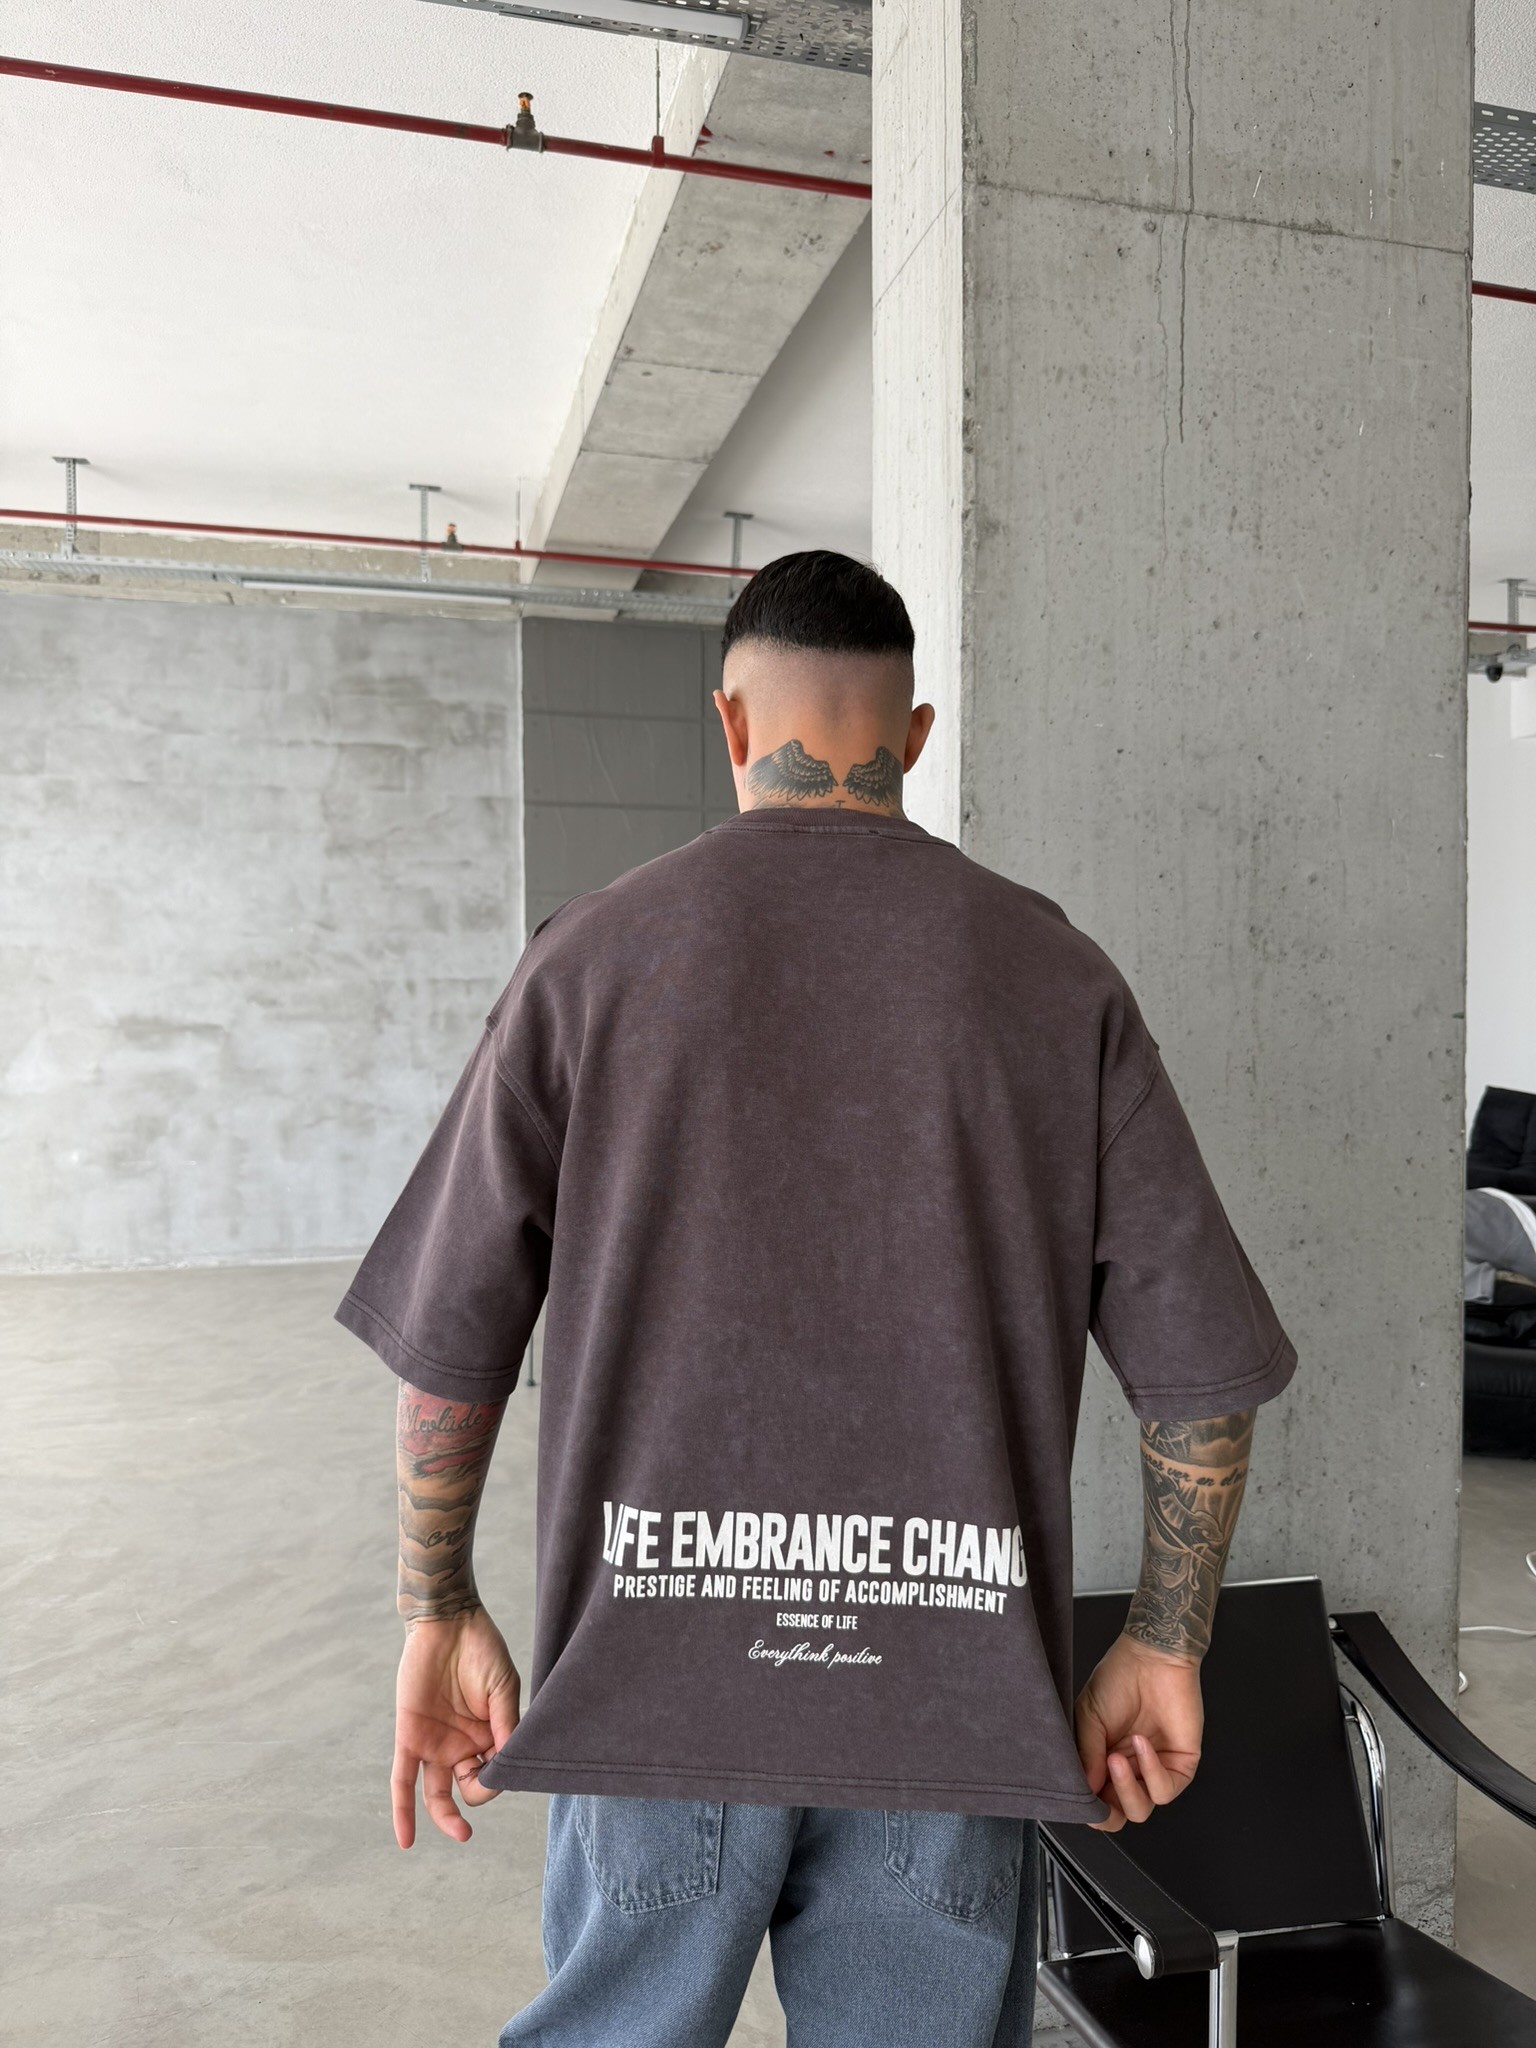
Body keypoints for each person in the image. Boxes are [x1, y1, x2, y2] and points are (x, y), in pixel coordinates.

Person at [337, 550, 1296, 2048]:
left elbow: (451, 1345)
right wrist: (1165, 1642)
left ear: (729, 720)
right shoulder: (1056, 980)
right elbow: (1201, 1377)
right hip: (948, 1701)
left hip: (654, 1686)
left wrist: (436, 1602)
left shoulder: (589, 961)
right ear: (914, 737)